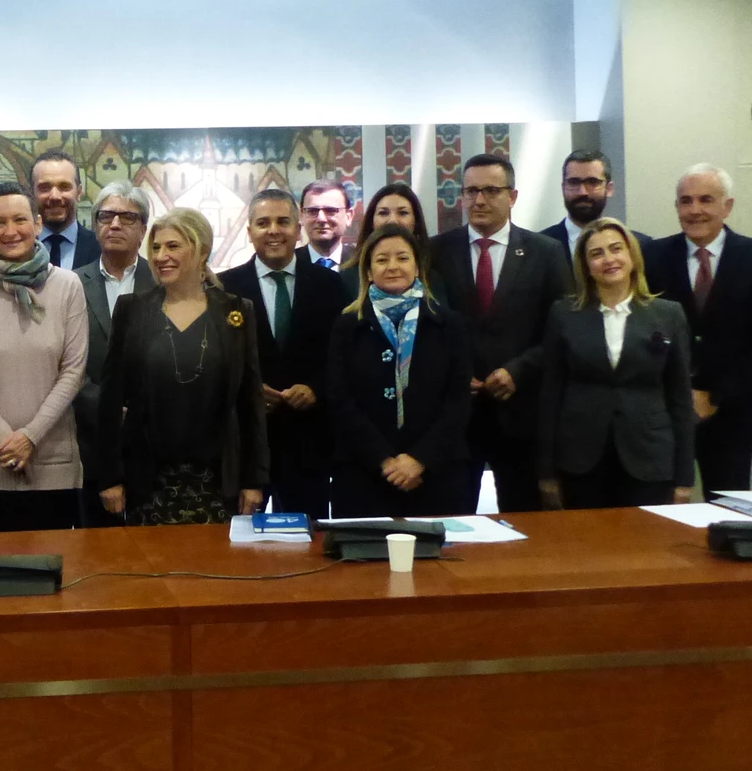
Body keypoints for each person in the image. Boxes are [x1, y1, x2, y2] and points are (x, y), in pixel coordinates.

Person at [92, 208, 268, 525]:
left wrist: (254, 480)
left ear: (202, 250)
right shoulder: (132, 310)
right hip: (147, 478)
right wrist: (110, 477)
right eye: (156, 247)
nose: (161, 256)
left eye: (173, 246)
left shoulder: (236, 312)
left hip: (218, 478)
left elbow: (249, 402)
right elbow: (110, 399)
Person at [427, 153, 570, 513]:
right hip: (457, 414)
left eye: (491, 190)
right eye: (471, 190)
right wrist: (455, 374)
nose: (479, 200)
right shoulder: (436, 251)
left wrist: (518, 370)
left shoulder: (546, 252)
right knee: (450, 522)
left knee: (523, 524)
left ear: (513, 196)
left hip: (521, 414)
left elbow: (562, 329)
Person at [0, 183, 87, 532]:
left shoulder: (68, 286)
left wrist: (30, 437)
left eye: (20, 220)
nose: (11, 232)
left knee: (53, 577)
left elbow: (73, 371)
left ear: (37, 224)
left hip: (51, 463)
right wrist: (3, 436)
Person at [643, 164, 752, 493]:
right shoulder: (652, 256)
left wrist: (714, 395)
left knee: (728, 516)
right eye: (685, 201)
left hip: (732, 416)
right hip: (663, 416)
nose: (695, 210)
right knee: (659, 515)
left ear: (727, 206)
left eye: (706, 199)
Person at [539, 219, 696, 509]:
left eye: (616, 249)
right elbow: (551, 396)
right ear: (585, 266)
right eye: (596, 254)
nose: (608, 259)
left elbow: (680, 400)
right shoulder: (564, 314)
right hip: (581, 459)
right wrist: (547, 472)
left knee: (645, 550)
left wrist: (684, 478)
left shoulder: (668, 315)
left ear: (632, 256)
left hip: (649, 459)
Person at [217, 189, 346, 518]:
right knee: (239, 543)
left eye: (283, 221)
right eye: (263, 222)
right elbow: (215, 361)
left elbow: (343, 356)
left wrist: (316, 389)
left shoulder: (331, 285)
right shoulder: (223, 290)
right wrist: (248, 391)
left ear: (298, 228)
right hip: (246, 440)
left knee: (307, 543)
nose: (273, 230)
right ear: (249, 232)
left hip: (309, 439)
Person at [328, 224, 470, 518]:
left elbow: (458, 400)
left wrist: (419, 460)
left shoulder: (449, 323)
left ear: (418, 267)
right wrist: (384, 460)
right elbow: (339, 399)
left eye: (403, 258)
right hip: (363, 473)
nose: (393, 266)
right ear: (367, 272)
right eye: (381, 260)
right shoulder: (346, 325)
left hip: (435, 472)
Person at [72, 182, 155, 527]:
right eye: (106, 216)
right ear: (95, 226)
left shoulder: (164, 282)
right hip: (91, 444)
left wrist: (139, 409)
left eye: (127, 217)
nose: (115, 224)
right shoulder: (71, 284)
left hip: (153, 441)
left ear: (143, 228)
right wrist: (106, 406)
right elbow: (66, 364)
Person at [541, 150, 651, 258]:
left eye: (592, 182)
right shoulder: (538, 247)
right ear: (563, 187)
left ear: (609, 188)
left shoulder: (640, 246)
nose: (582, 192)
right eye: (574, 182)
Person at [339, 181, 430, 303]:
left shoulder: (433, 275)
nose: (392, 220)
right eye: (383, 213)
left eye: (403, 213)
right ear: (371, 221)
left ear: (416, 221)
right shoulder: (347, 278)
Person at [32, 150, 99, 270]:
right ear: (31, 193)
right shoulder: (16, 248)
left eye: (64, 187)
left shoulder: (101, 249)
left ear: (79, 192)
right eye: (44, 188)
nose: (55, 196)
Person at [300, 179, 355, 270]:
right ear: (301, 216)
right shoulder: (288, 263)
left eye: (330, 210)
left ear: (348, 216)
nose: (321, 219)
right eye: (312, 211)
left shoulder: (364, 262)